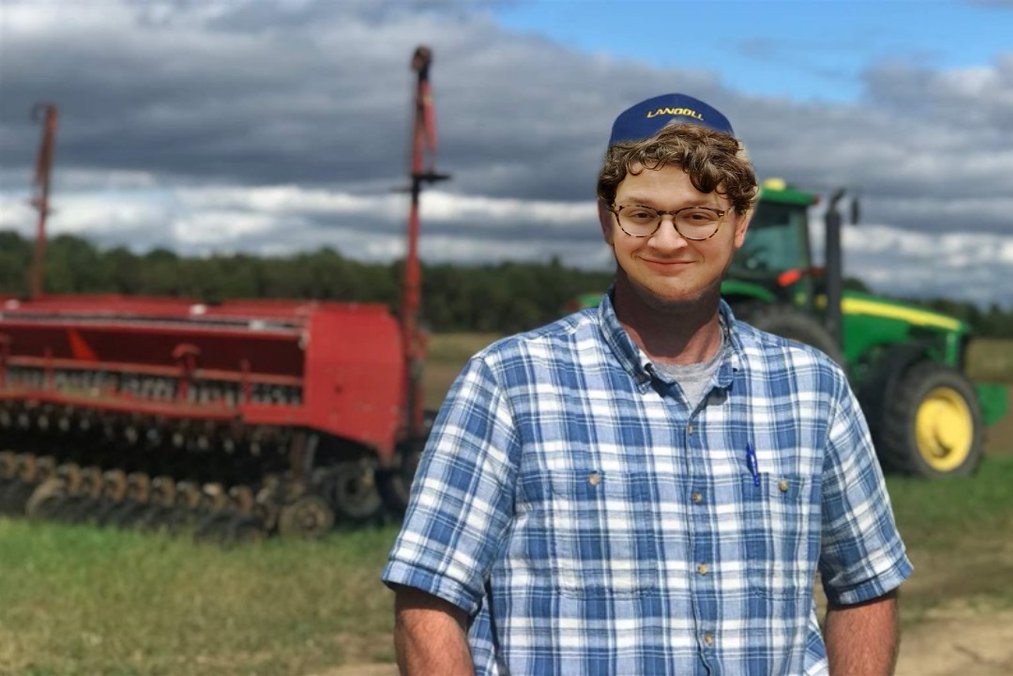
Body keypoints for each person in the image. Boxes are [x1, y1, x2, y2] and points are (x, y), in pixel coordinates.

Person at [382, 92, 912, 675]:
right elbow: (429, 601)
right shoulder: (509, 383)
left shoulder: (814, 391)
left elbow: (865, 587)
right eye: (642, 215)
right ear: (606, 220)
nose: (667, 240)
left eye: (698, 216)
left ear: (740, 223)